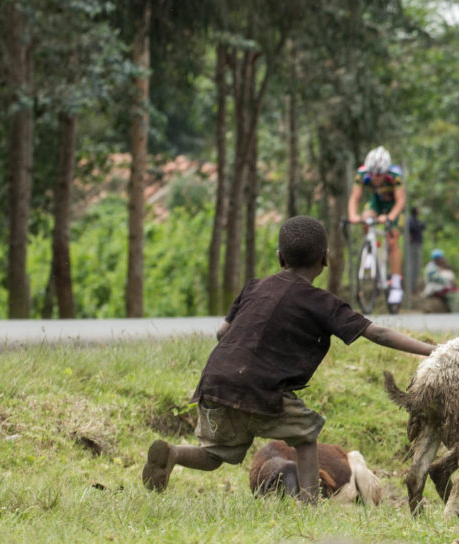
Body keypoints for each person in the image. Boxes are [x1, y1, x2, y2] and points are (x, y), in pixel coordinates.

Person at [141, 216, 435, 502]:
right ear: (325, 258)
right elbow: (378, 333)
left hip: (215, 382)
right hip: (261, 389)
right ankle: (308, 503)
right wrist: (433, 350)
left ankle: (174, 453)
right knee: (306, 435)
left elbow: (222, 333)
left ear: (280, 257)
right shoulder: (322, 303)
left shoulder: (254, 286)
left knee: (215, 453)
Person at [347, 146, 407, 306]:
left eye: (379, 174)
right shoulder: (362, 173)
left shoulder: (395, 175)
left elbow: (401, 200)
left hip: (394, 205)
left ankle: (395, 284)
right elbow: (355, 197)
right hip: (377, 202)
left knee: (393, 240)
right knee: (366, 218)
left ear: (385, 171)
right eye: (372, 174)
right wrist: (353, 215)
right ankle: (370, 250)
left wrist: (390, 217)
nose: (375, 178)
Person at [423, 248, 459, 313]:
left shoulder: (437, 266)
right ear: (437, 259)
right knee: (453, 295)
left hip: (439, 287)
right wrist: (447, 282)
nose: (442, 259)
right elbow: (436, 278)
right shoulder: (431, 267)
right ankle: (455, 312)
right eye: (441, 258)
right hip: (433, 288)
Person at [406, 207, 426, 297]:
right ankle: (411, 288)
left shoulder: (416, 221)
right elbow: (415, 227)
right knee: (413, 266)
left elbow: (423, 226)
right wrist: (419, 225)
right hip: (413, 245)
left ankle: (414, 287)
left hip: (417, 244)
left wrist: (420, 225)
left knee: (417, 266)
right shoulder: (411, 221)